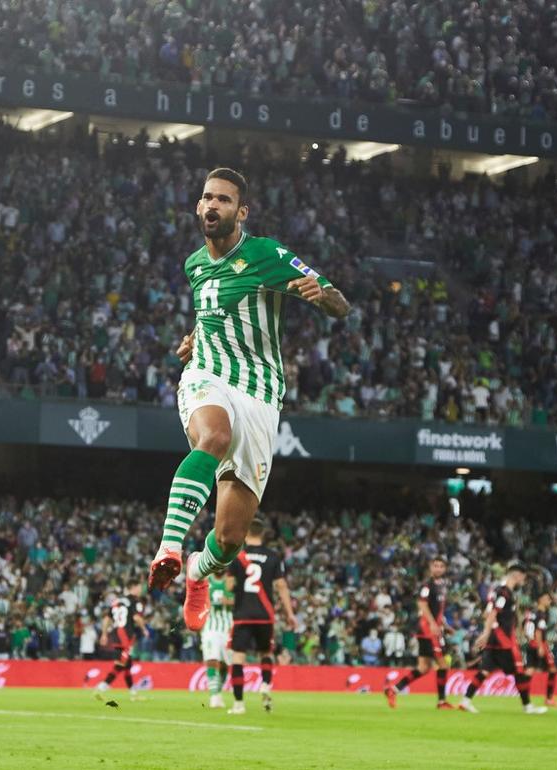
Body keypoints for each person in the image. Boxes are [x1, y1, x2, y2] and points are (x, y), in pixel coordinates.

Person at [147, 167, 351, 634]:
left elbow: (341, 304)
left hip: (259, 393)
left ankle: (197, 570)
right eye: (207, 198)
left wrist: (322, 296)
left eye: (223, 199)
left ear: (241, 212)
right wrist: (196, 339)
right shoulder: (194, 264)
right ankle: (170, 549)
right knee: (213, 435)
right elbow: (215, 312)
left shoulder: (267, 254)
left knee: (231, 538)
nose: (212, 205)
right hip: (208, 377)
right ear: (199, 207)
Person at [226, 517, 298, 715]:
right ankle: (265, 684)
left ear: (246, 533)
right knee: (265, 653)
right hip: (265, 615)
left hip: (243, 614)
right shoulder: (274, 557)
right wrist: (290, 614)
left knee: (238, 657)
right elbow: (281, 586)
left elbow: (229, 586)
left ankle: (239, 704)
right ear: (263, 534)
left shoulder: (238, 556)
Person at [458, 562, 547, 715]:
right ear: (517, 575)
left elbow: (487, 612)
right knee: (519, 671)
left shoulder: (498, 591)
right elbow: (492, 613)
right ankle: (527, 706)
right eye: (523, 577)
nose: (523, 581)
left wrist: (490, 631)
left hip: (496, 638)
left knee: (485, 671)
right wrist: (486, 633)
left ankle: (465, 701)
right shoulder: (505, 592)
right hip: (504, 641)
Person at [385, 556, 452, 709]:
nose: (438, 568)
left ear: (445, 569)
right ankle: (442, 701)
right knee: (443, 665)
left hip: (430, 629)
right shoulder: (427, 585)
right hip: (428, 631)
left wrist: (445, 624)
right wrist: (433, 624)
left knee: (423, 668)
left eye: (441, 566)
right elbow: (422, 604)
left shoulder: (442, 586)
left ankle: (393, 690)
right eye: (436, 565)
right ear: (431, 567)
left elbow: (438, 611)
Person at [93, 583, 147, 703]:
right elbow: (136, 618)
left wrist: (104, 634)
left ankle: (133, 694)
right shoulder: (134, 601)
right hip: (125, 636)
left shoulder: (116, 601)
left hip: (116, 635)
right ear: (133, 588)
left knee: (127, 665)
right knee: (120, 664)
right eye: (139, 587)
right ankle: (100, 688)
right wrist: (144, 629)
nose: (140, 590)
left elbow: (107, 618)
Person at [201, 573, 235, 709]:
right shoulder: (206, 581)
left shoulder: (231, 581)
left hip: (228, 628)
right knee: (211, 660)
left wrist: (230, 601)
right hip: (210, 627)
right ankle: (214, 695)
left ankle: (218, 691)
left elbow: (243, 599)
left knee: (225, 664)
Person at [524, 592, 557, 707]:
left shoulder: (532, 613)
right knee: (553, 670)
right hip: (539, 644)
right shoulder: (541, 614)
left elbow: (526, 628)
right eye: (547, 599)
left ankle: (523, 695)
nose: (549, 601)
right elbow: (539, 631)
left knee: (530, 670)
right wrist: (540, 646)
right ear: (541, 600)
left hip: (530, 643)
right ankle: (549, 699)